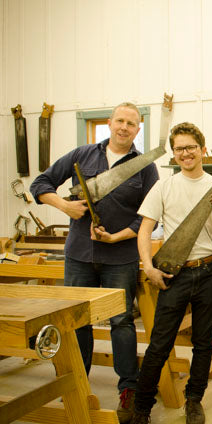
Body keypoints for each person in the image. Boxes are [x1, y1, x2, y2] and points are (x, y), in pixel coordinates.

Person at [30, 102, 158, 423]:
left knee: (122, 323)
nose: (124, 127)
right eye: (119, 120)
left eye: (131, 123)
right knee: (76, 322)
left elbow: (150, 217)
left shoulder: (144, 166)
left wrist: (117, 237)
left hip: (121, 257)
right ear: (110, 123)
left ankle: (129, 390)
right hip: (79, 255)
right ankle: (76, 382)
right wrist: (64, 206)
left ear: (137, 130)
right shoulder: (82, 155)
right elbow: (39, 184)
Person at [130, 122, 212, 424]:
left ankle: (193, 400)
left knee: (203, 342)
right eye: (179, 149)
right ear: (174, 155)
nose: (186, 153)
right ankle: (142, 409)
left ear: (202, 149)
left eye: (191, 147)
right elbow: (145, 229)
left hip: (208, 272)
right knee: (160, 343)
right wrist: (148, 266)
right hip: (173, 273)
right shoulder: (164, 185)